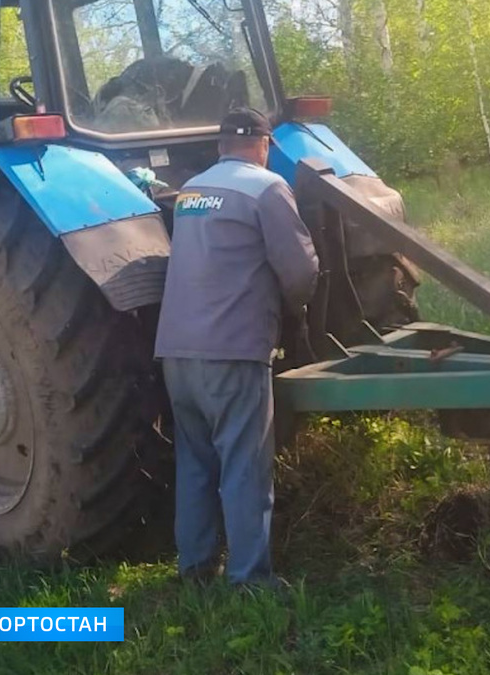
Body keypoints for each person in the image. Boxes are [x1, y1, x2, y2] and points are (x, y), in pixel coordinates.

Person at [154, 109, 320, 586]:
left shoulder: (190, 192)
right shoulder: (265, 188)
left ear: (221, 146)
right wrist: (299, 311)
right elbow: (301, 272)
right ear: (264, 145)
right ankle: (249, 580)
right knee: (245, 465)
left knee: (196, 464)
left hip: (177, 353)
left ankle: (196, 567)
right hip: (230, 352)